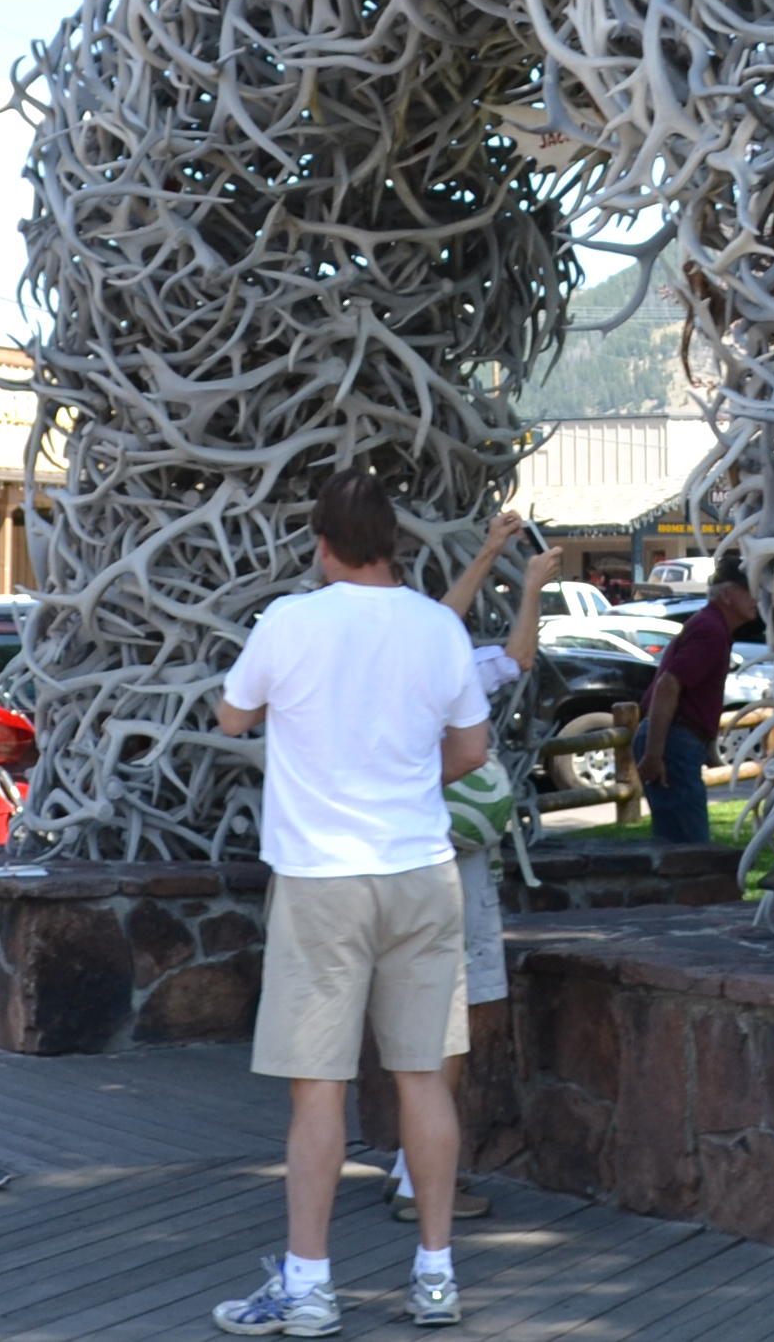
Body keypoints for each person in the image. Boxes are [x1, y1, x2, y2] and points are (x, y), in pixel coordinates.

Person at [212, 468, 490, 1335]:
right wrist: (408, 777)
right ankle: (437, 1276)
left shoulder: (291, 621)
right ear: (395, 543)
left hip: (322, 879)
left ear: (322, 543)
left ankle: (308, 1288)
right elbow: (473, 747)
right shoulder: (438, 626)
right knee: (424, 1077)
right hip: (420, 870)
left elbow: (231, 718)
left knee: (318, 1091)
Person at [378, 513, 562, 1224]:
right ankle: (419, 1176)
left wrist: (498, 559)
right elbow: (505, 653)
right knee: (454, 1010)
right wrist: (523, 581)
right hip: (449, 859)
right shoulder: (441, 667)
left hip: (390, 859)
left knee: (414, 1009)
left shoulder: (397, 661)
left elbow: (483, 643)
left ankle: (407, 1160)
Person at [634, 555, 760, 843]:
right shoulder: (711, 630)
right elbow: (668, 685)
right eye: (750, 590)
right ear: (727, 595)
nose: (757, 599)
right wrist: (654, 754)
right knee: (690, 852)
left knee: (678, 846)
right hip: (674, 742)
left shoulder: (711, 626)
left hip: (674, 741)